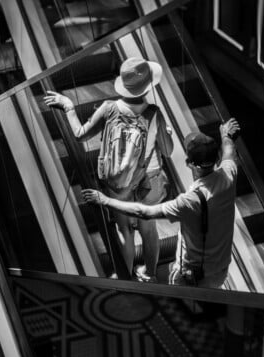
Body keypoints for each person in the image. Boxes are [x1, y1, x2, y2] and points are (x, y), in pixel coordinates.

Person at [44, 57, 173, 282]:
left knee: (124, 231)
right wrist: (167, 134)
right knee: (148, 228)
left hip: (118, 182)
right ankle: (150, 275)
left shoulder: (108, 108)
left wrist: (68, 107)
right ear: (146, 87)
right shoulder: (154, 113)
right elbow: (168, 151)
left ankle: (125, 279)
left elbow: (80, 134)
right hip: (149, 181)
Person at [81, 118, 240, 289]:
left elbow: (144, 212)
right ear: (217, 158)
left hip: (193, 278)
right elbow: (229, 151)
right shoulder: (228, 174)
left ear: (189, 164)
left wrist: (105, 200)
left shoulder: (189, 201)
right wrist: (226, 135)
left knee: (181, 297)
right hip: (220, 271)